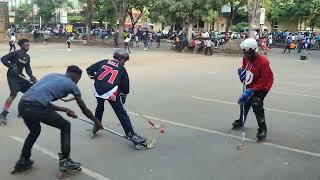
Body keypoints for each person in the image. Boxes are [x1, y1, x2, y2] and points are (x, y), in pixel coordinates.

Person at [12, 66, 103, 173]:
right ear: (76, 76)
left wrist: (65, 109)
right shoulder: (71, 85)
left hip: (23, 104)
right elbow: (85, 110)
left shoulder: (52, 75)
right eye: (78, 79)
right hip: (35, 106)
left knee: (34, 131)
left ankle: (23, 160)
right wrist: (96, 121)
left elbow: (41, 100)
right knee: (65, 126)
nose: (77, 82)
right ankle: (65, 161)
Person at [86, 50, 146, 146]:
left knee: (100, 106)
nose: (124, 63)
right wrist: (123, 95)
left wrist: (95, 78)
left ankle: (97, 124)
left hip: (97, 90)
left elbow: (89, 70)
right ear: (121, 59)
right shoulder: (121, 68)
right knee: (121, 112)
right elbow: (125, 84)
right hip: (110, 92)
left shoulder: (104, 61)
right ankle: (131, 133)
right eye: (124, 60)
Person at [232, 38, 274, 142]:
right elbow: (246, 70)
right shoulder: (246, 58)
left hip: (264, 85)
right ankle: (241, 121)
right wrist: (242, 76)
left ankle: (262, 129)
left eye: (245, 51)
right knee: (245, 101)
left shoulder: (263, 61)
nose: (244, 54)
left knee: (256, 103)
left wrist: (252, 91)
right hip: (251, 82)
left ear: (252, 50)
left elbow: (263, 79)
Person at [0, 39, 37, 125]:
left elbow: (28, 68)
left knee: (30, 92)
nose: (28, 47)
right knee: (13, 94)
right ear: (21, 46)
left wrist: (31, 77)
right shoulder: (16, 53)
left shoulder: (27, 57)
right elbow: (3, 58)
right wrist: (11, 66)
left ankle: (21, 111)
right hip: (12, 76)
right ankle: (3, 114)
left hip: (20, 76)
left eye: (28, 45)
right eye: (26, 45)